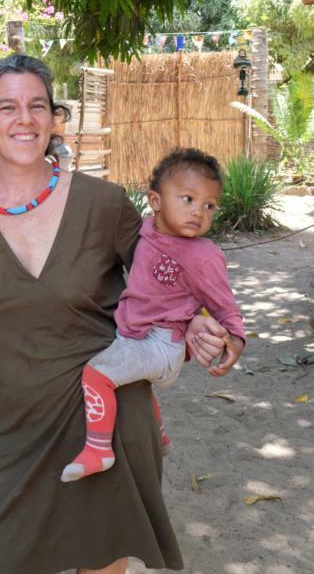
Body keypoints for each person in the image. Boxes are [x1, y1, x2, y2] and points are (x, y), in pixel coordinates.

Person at [0, 55, 244, 574]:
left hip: (107, 425)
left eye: (37, 105)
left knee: (102, 565)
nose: (24, 119)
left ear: (52, 119)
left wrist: (201, 322)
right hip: (11, 433)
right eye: (7, 106)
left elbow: (164, 284)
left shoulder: (106, 204)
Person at [61, 148, 245, 483]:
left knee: (96, 375)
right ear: (155, 202)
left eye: (209, 205)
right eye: (187, 199)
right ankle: (159, 434)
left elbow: (224, 304)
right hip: (139, 333)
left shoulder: (203, 256)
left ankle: (98, 450)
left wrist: (235, 338)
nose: (199, 213)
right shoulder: (148, 230)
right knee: (137, 382)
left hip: (161, 343)